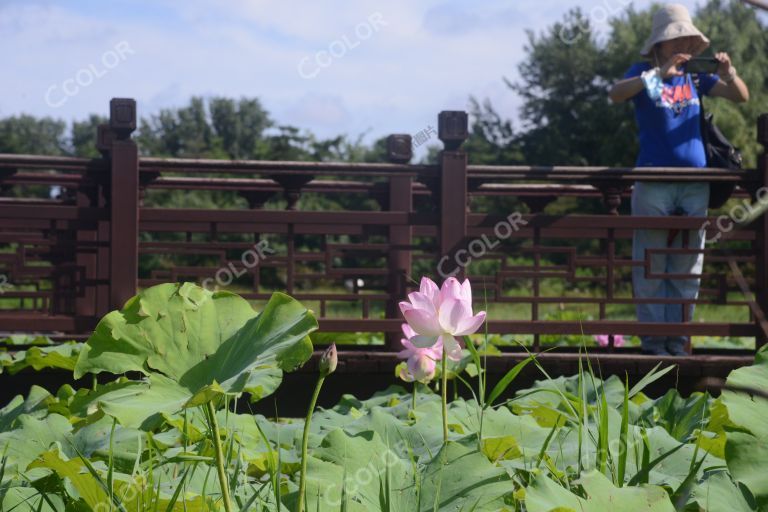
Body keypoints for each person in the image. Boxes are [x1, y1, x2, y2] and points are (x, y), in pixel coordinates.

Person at [608, 4, 749, 356]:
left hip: (694, 180)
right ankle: (656, 343)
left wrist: (729, 73)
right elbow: (615, 93)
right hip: (653, 178)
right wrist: (659, 75)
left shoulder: (697, 78)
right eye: (675, 39)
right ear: (658, 44)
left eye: (686, 39)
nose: (681, 45)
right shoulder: (642, 72)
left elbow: (741, 96)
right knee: (652, 262)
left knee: (688, 263)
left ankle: (678, 340)